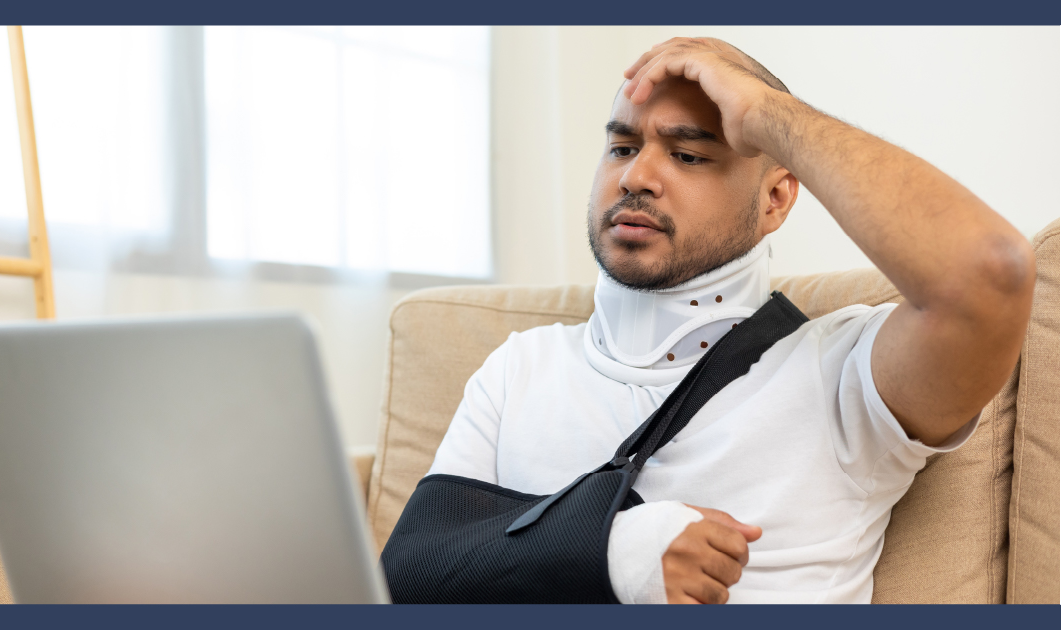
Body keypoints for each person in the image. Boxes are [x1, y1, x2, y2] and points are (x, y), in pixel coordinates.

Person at [424, 38, 1036, 604]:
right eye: (622, 147)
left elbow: (988, 276)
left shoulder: (841, 374)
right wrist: (611, 550)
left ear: (776, 199)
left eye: (688, 154)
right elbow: (412, 572)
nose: (636, 177)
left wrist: (768, 112)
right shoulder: (519, 365)